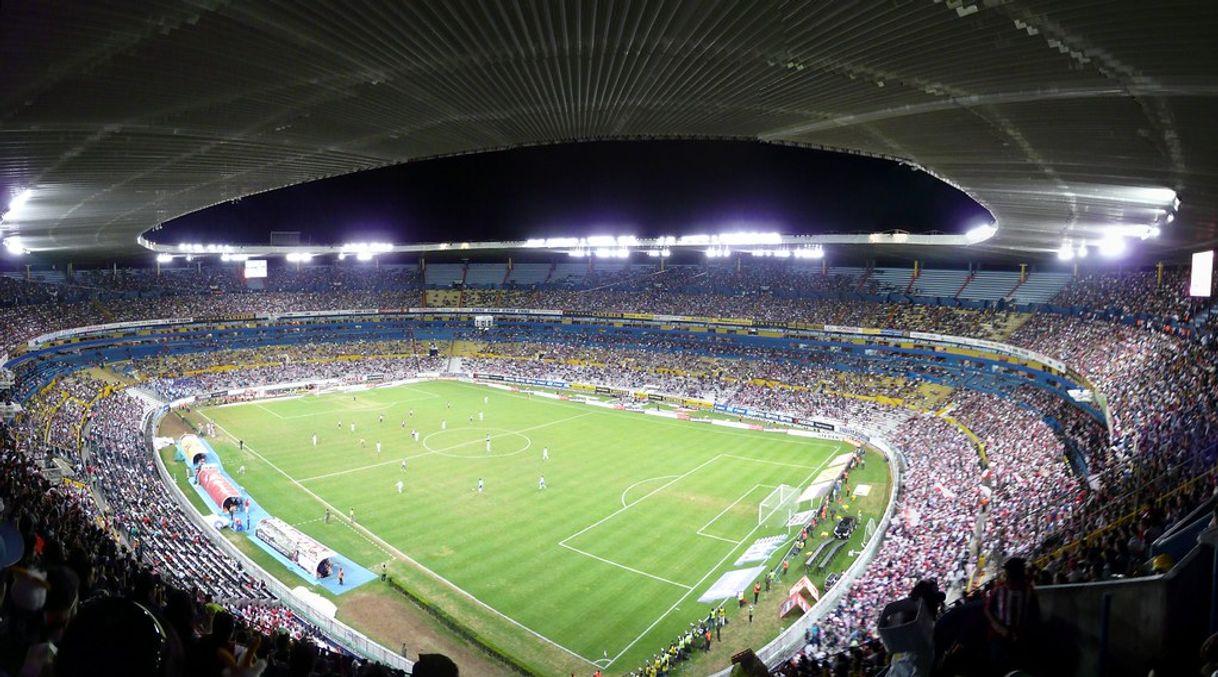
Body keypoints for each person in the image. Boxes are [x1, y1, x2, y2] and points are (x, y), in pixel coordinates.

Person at [984, 557, 1040, 673]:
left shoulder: (1028, 591)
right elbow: (988, 610)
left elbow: (1035, 615)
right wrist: (1000, 629)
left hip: (1020, 636)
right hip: (999, 635)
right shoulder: (999, 590)